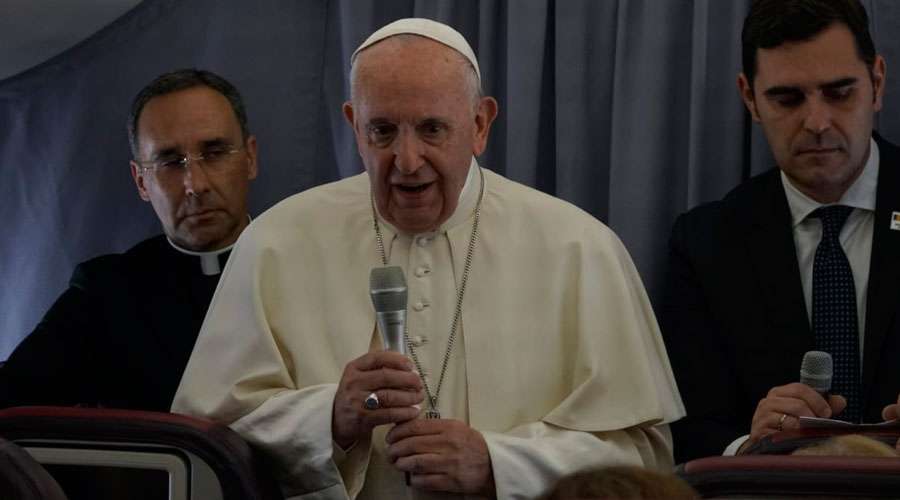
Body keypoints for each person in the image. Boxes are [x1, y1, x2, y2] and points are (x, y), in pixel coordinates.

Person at [172, 18, 684, 500]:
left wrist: (497, 464)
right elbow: (208, 443)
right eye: (383, 131)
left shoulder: (579, 248)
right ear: (354, 125)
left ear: (480, 123)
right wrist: (329, 418)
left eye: (433, 129)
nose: (408, 161)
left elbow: (642, 461)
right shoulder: (277, 242)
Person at [660, 0, 900, 463]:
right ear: (749, 98)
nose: (817, 122)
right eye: (788, 99)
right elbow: (682, 427)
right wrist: (749, 445)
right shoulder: (707, 242)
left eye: (840, 92)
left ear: (877, 84)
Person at [0, 69, 258, 412]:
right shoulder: (106, 293)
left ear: (250, 158)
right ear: (140, 182)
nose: (195, 185)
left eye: (214, 153)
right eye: (169, 162)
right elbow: (11, 398)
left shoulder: (306, 270)